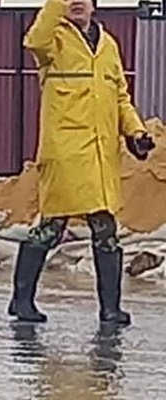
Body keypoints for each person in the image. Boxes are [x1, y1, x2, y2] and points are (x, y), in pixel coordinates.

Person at [10, 0, 156, 325]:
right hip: (65, 155)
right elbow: (33, 41)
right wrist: (54, 5)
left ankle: (110, 309)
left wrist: (136, 132)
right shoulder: (53, 40)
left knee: (106, 231)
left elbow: (120, 97)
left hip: (100, 156)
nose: (76, 2)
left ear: (94, 5)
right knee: (51, 229)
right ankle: (21, 301)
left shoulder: (108, 44)